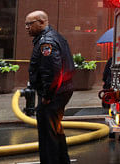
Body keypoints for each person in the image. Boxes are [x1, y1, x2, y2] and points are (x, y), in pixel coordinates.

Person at [26, 10, 75, 164]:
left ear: (41, 22)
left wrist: (47, 96)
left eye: (29, 24)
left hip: (53, 94)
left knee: (48, 136)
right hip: (60, 91)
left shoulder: (46, 42)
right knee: (55, 131)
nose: (27, 27)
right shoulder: (54, 37)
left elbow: (52, 72)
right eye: (26, 24)